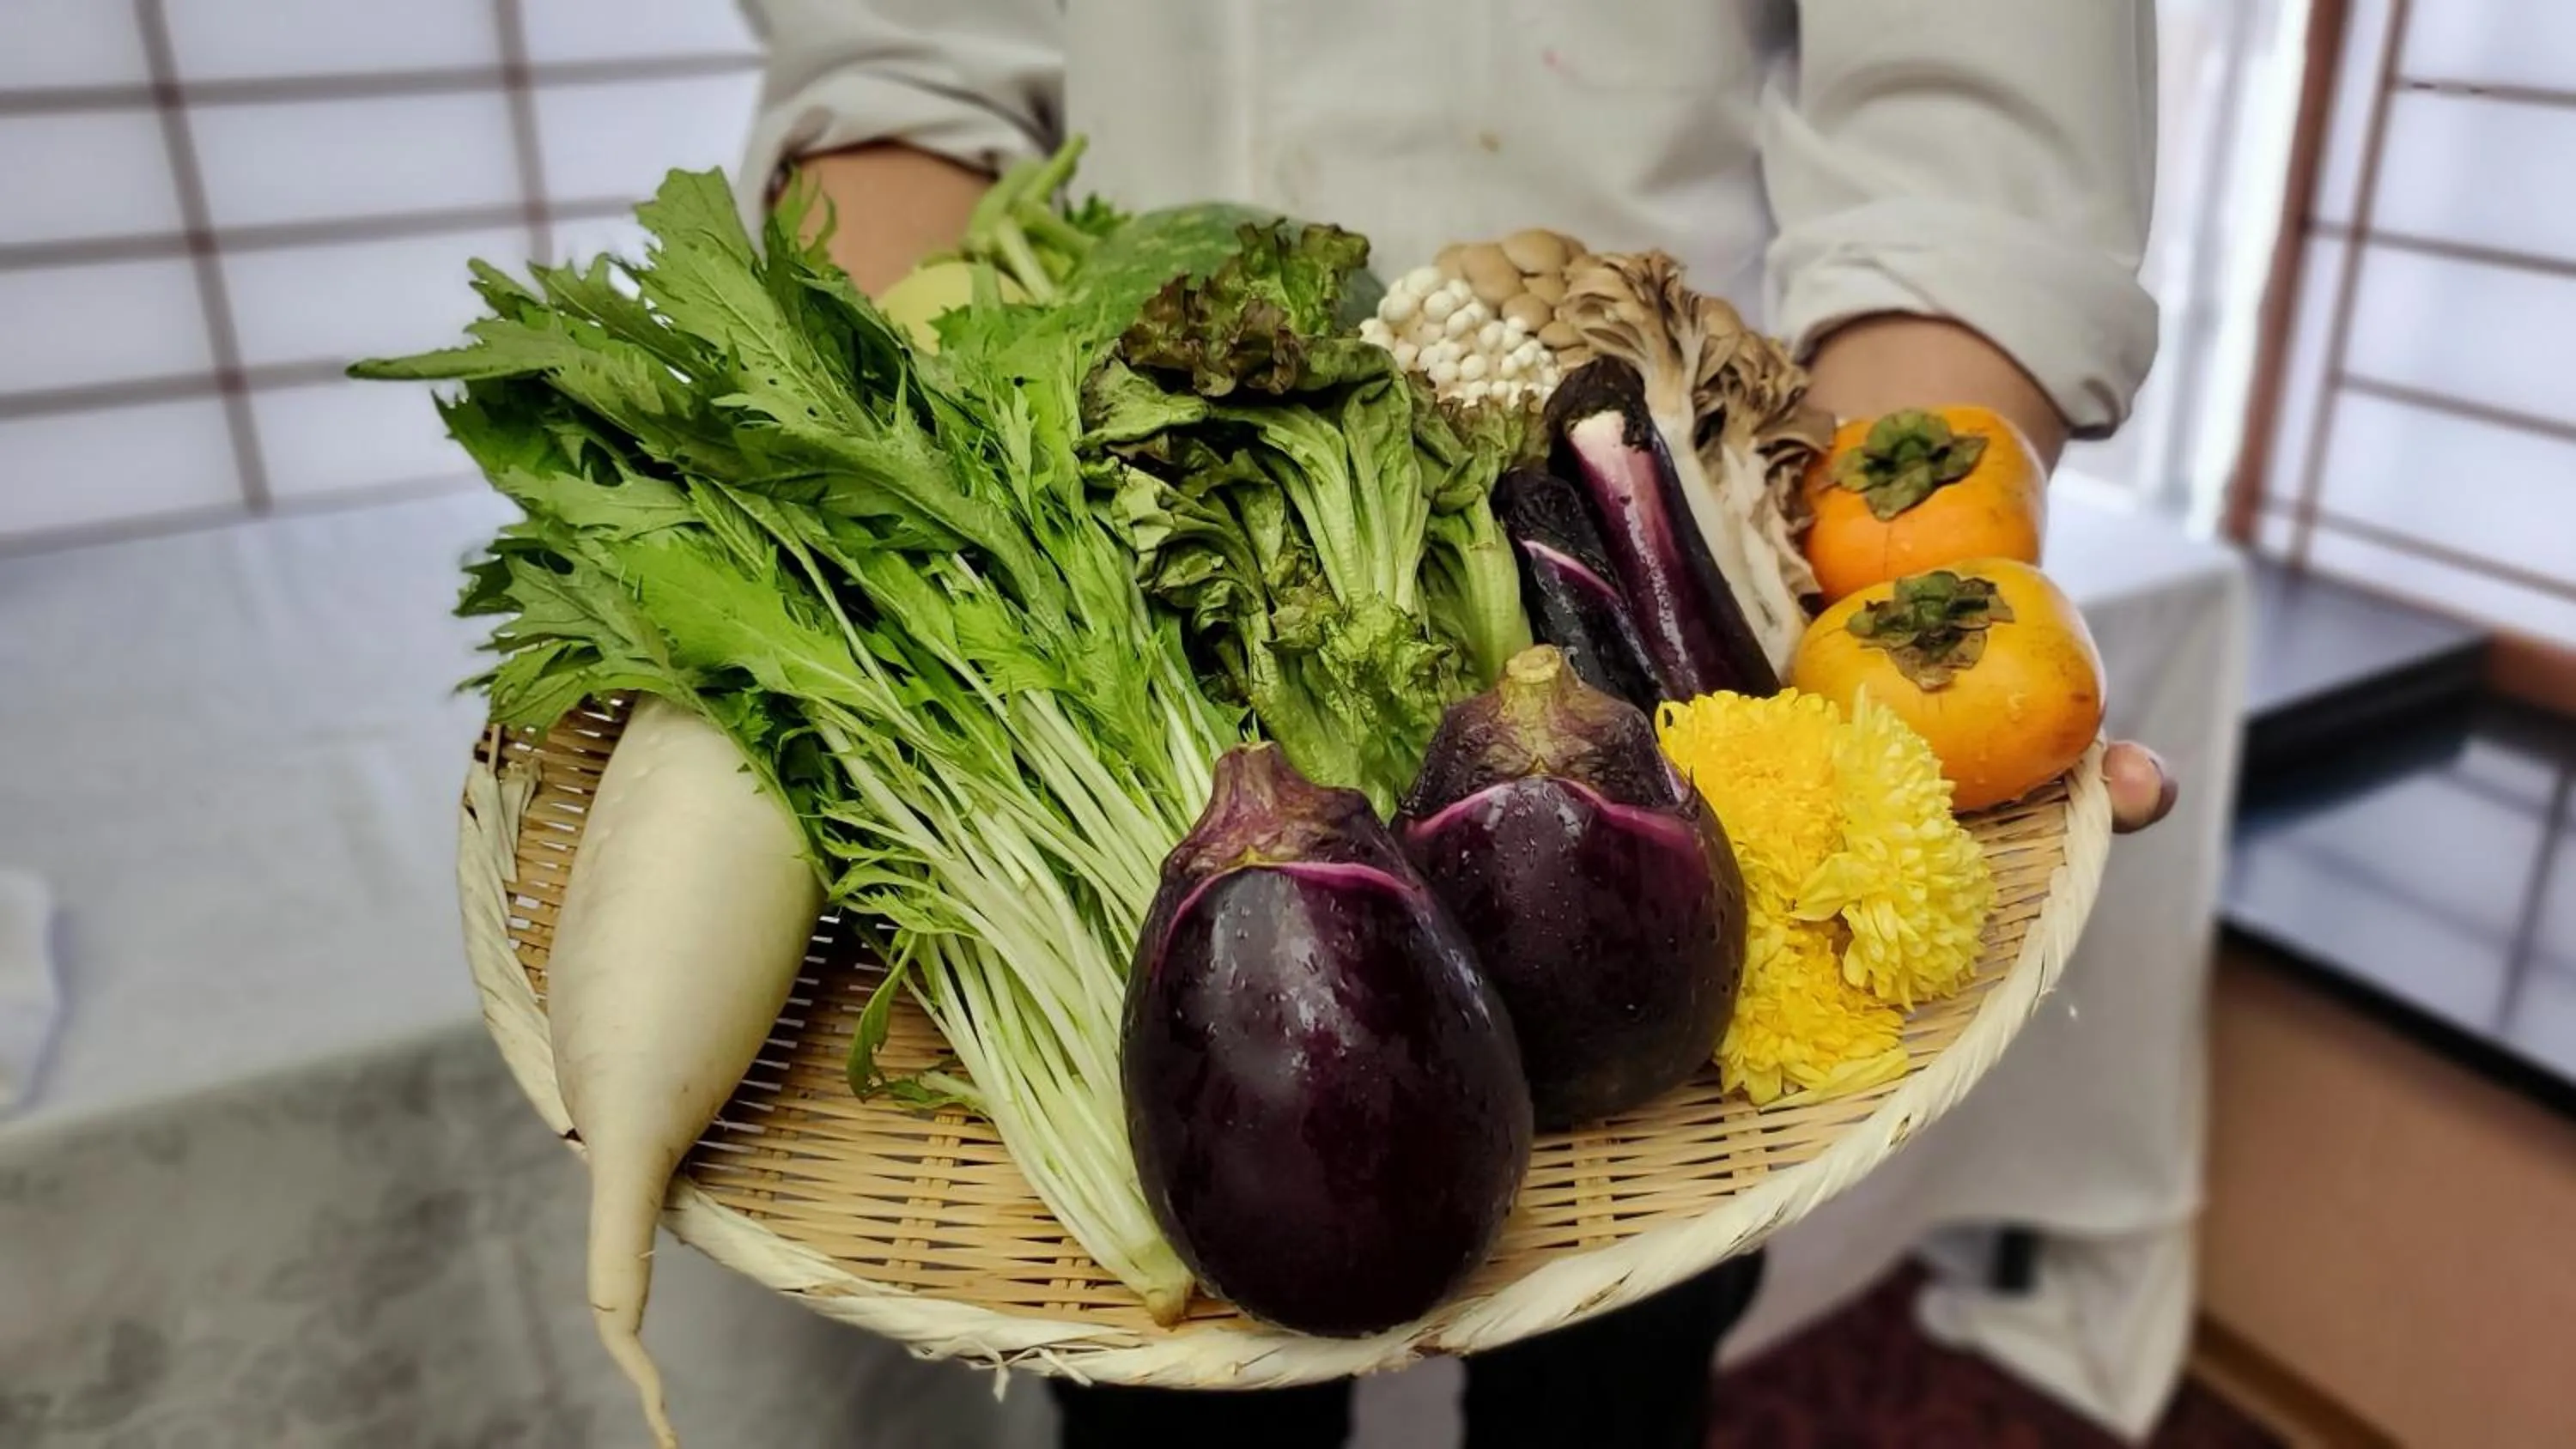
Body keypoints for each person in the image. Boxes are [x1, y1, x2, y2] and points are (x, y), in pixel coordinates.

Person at [736, 3, 2177, 1446]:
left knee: (1614, 1356)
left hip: (1652, 546)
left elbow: (1967, 150)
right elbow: (901, 70)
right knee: (1178, 1386)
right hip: (1133, 451)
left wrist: (1899, 614)